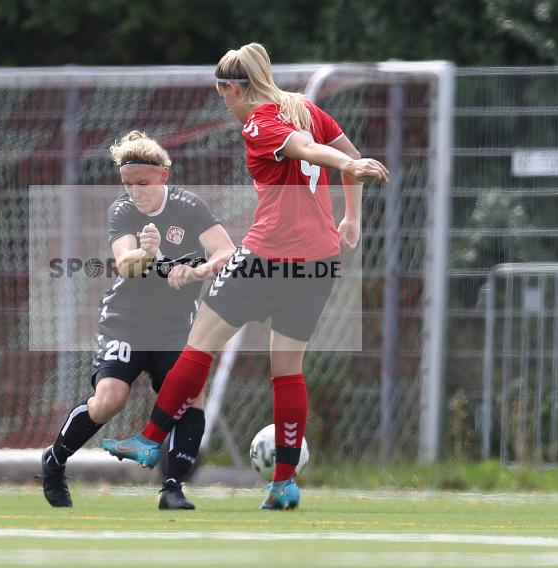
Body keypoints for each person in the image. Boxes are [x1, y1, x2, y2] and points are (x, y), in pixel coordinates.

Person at [101, 43, 388, 510]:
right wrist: (351, 216)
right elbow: (342, 154)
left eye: (223, 94)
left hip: (267, 256)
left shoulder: (261, 122)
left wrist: (344, 167)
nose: (225, 104)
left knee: (199, 345)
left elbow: (307, 149)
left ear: (235, 88)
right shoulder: (307, 109)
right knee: (288, 370)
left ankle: (151, 439)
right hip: (317, 263)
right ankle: (284, 483)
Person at [37, 130, 236, 510]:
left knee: (191, 398)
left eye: (142, 183)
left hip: (176, 324)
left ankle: (173, 488)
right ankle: (55, 460)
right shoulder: (123, 211)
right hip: (125, 319)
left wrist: (197, 272)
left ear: (163, 174)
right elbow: (126, 264)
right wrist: (145, 254)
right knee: (110, 398)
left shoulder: (190, 207)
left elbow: (227, 253)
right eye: (127, 184)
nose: (135, 191)